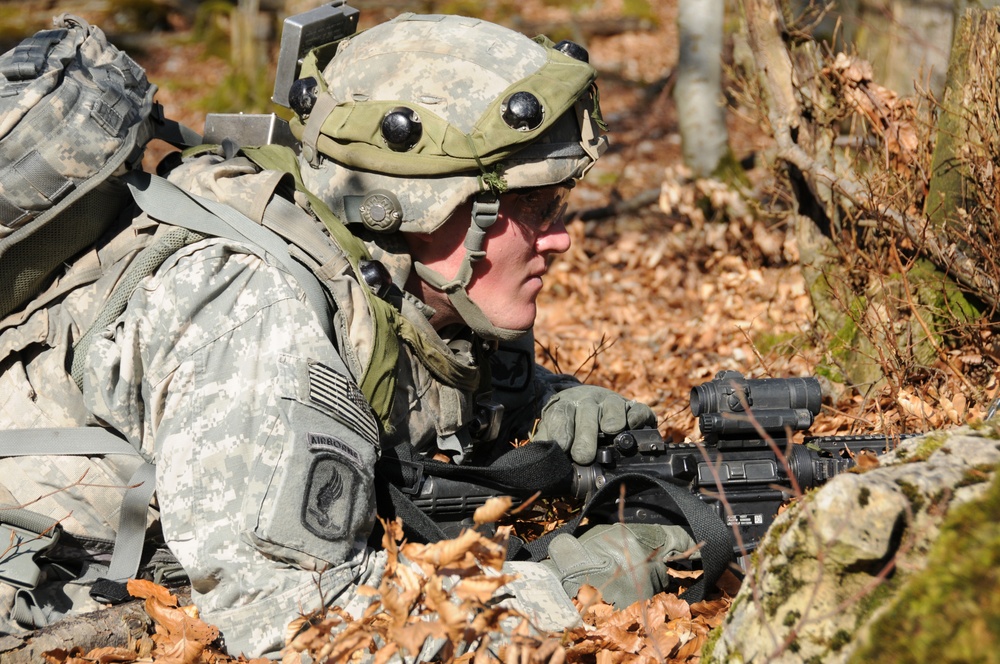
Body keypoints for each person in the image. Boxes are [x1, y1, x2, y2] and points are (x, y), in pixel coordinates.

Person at [0, 11, 698, 658]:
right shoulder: (255, 315)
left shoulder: (409, 286)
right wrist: (575, 587)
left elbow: (419, 392)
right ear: (420, 206)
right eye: (533, 205)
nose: (562, 238)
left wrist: (546, 406)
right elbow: (294, 621)